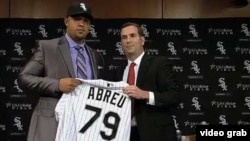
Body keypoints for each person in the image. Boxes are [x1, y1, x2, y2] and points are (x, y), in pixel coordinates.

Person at [17, 2, 104, 141]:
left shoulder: (96, 56)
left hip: (84, 126)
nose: (81, 24)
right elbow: (24, 78)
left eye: (86, 21)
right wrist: (57, 84)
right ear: (66, 21)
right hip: (52, 124)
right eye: (77, 19)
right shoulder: (47, 47)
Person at [119, 22, 180, 141]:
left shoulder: (159, 64)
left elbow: (175, 96)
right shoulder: (119, 70)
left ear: (142, 40)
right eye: (124, 37)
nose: (128, 40)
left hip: (155, 134)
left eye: (132, 36)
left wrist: (146, 94)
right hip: (124, 133)